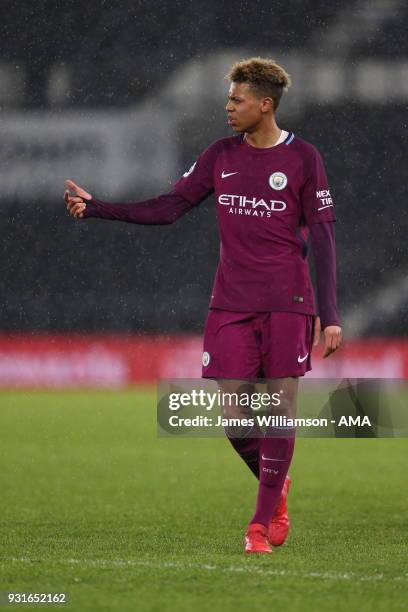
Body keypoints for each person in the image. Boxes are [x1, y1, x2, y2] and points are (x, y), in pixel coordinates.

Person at [65, 57, 342, 554]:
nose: (227, 106)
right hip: (231, 302)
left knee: (278, 411)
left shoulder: (304, 158)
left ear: (265, 104)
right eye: (228, 98)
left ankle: (259, 525)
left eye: (236, 99)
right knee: (236, 417)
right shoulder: (219, 155)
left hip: (288, 301)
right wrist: (99, 207)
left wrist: (331, 314)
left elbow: (322, 237)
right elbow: (169, 207)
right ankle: (277, 486)